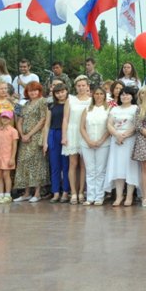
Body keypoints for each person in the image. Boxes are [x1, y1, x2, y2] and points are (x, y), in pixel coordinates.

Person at [105, 86, 140, 206]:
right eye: (122, 94)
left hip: (129, 140)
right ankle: (119, 196)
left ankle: (129, 196)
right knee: (118, 168)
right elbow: (109, 124)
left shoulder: (136, 108)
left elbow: (136, 125)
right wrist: (117, 135)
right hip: (116, 141)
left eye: (127, 94)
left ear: (132, 96)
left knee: (130, 168)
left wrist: (124, 136)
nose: (124, 96)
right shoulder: (114, 109)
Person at [13, 82, 48, 202]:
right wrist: (22, 134)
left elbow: (43, 120)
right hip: (24, 139)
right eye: (30, 91)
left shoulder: (43, 102)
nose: (33, 93)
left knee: (36, 163)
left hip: (35, 137)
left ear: (39, 90)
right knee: (24, 163)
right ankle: (26, 192)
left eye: (35, 90)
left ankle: (37, 193)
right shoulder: (26, 104)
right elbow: (19, 121)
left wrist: (29, 134)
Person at [79, 86, 111, 205]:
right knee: (90, 170)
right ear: (93, 95)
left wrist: (101, 140)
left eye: (101, 94)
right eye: (96, 94)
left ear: (104, 95)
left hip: (103, 143)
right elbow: (82, 127)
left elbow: (109, 127)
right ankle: (90, 197)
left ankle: (99, 197)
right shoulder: (87, 109)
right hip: (87, 143)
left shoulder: (109, 109)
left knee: (100, 170)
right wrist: (88, 141)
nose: (98, 96)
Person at [62, 76, 92, 204]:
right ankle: (73, 192)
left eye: (83, 85)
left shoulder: (92, 100)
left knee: (84, 164)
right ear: (75, 87)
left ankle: (81, 192)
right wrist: (64, 135)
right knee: (73, 163)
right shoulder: (71, 99)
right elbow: (65, 119)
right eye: (78, 86)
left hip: (86, 133)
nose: (81, 88)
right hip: (72, 132)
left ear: (87, 86)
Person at [44, 83, 71, 202]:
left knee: (66, 165)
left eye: (62, 91)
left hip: (66, 134)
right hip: (53, 134)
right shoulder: (51, 105)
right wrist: (45, 142)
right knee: (54, 165)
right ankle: (55, 192)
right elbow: (47, 124)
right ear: (54, 94)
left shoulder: (71, 104)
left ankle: (65, 192)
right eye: (57, 92)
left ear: (66, 91)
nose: (60, 94)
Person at [0, 110, 20, 203]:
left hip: (7, 156)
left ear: (10, 119)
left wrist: (12, 157)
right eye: (3, 117)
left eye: (7, 118)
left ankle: (8, 195)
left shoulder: (13, 131)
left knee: (6, 175)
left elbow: (15, 145)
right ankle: (1, 195)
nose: (5, 119)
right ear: (0, 118)